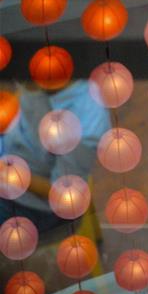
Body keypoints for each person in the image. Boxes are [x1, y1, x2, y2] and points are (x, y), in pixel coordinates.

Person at [0, 79, 110, 232]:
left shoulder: (85, 126)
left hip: (33, 206)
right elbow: (23, 100)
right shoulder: (38, 80)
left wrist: (6, 173)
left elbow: (64, 196)